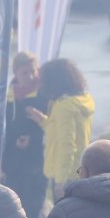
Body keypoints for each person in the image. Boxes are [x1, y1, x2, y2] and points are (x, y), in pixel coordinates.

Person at [2, 51, 50, 218]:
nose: (30, 77)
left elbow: (51, 126)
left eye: (33, 71)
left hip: (38, 159)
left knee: (35, 209)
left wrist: (33, 139)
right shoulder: (7, 94)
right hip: (13, 160)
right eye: (24, 73)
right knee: (15, 208)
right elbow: (3, 126)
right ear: (15, 73)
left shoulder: (44, 94)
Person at [34, 57, 94, 200]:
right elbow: (61, 132)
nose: (40, 84)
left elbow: (67, 146)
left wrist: (60, 182)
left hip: (66, 176)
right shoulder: (81, 100)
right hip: (79, 170)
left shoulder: (64, 107)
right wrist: (44, 122)